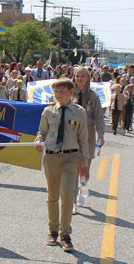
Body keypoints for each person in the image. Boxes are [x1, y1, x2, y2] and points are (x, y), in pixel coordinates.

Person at [34, 78, 89, 252]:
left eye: (62, 91)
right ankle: (53, 231)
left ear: (71, 92)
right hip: (51, 158)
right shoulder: (48, 111)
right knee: (52, 196)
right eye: (56, 92)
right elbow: (42, 131)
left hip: (70, 158)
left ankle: (66, 234)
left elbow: (83, 140)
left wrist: (85, 164)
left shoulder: (79, 112)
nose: (58, 95)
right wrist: (39, 140)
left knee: (67, 195)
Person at [72, 67, 105, 212]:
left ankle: (82, 191)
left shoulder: (93, 96)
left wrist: (101, 135)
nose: (79, 79)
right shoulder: (69, 93)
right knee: (73, 168)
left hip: (88, 133)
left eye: (83, 76)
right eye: (77, 76)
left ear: (88, 78)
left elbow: (99, 117)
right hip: (72, 132)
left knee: (84, 167)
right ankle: (72, 201)